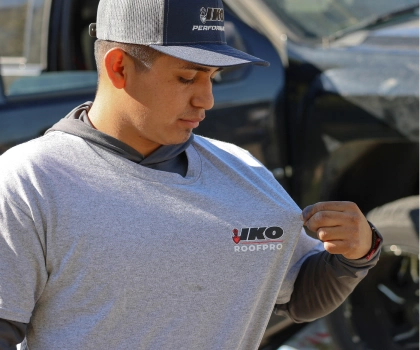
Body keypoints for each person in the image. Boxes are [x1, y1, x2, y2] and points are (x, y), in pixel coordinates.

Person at [0, 0, 383, 349]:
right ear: (119, 67)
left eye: (212, 77)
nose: (207, 99)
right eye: (187, 78)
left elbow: (297, 294)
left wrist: (356, 253)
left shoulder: (243, 170)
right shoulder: (31, 181)